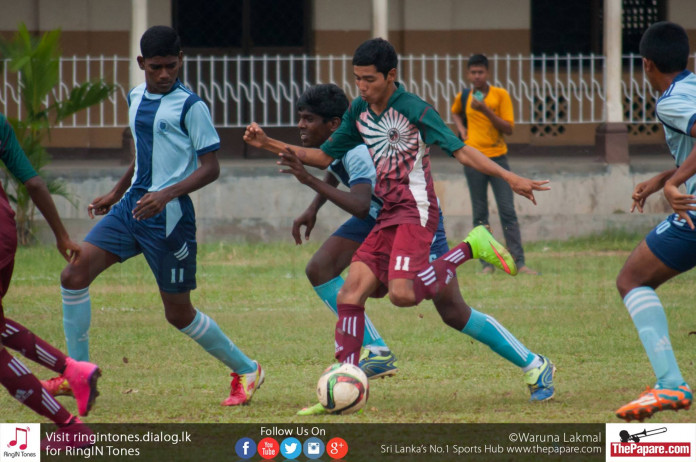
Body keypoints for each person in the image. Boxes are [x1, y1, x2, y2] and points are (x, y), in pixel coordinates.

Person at [245, 38, 557, 405]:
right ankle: (343, 385)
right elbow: (323, 156)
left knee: (403, 295)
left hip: (418, 214)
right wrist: (267, 143)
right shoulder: (358, 111)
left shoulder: (414, 109)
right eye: (357, 79)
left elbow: (462, 150)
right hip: (389, 218)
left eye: (369, 79)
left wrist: (509, 177)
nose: (361, 87)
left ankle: (471, 247)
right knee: (355, 295)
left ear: (391, 75)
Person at [42, 26, 263, 407]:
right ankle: (77, 373)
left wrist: (166, 194)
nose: (164, 74)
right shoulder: (135, 96)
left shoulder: (191, 106)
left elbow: (211, 167)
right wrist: (116, 192)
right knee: (73, 275)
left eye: (171, 66)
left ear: (181, 61)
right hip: (131, 209)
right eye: (156, 67)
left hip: (170, 219)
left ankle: (247, 369)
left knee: (178, 314)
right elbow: (145, 154)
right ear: (141, 63)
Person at [0, 112, 98, 445]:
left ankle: (70, 428)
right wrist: (60, 236)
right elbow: (34, 182)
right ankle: (73, 369)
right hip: (3, 230)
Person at [614, 21, 693, 422]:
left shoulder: (670, 100)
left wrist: (676, 182)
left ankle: (670, 383)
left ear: (646, 64)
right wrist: (664, 178)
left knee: (631, 279)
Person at [451, 54, 537, 275]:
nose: (477, 76)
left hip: (498, 158)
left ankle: (519, 262)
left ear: (487, 73)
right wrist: (461, 129)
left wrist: (485, 111)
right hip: (473, 161)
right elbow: (455, 112)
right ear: (468, 74)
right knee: (480, 213)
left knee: (507, 210)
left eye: (480, 72)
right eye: (473, 72)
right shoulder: (464, 96)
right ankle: (486, 264)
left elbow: (508, 128)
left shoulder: (500, 95)